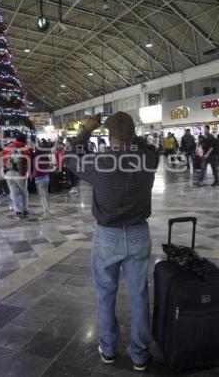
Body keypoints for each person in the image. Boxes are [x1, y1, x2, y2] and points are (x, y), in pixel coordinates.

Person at [65, 112, 158, 372]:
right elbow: (146, 146)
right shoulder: (148, 159)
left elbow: (70, 158)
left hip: (107, 236)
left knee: (106, 293)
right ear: (132, 133)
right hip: (139, 233)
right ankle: (139, 354)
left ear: (109, 135)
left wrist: (86, 131)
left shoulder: (99, 162)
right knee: (139, 294)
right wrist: (127, 133)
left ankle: (108, 348)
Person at [0, 133, 31, 218]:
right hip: (20, 173)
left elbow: (1, 154)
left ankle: (17, 210)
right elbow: (28, 158)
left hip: (8, 173)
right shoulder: (24, 148)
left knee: (13, 192)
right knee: (23, 191)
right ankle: (24, 209)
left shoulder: (8, 147)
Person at [33, 140, 51, 220]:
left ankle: (46, 214)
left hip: (39, 180)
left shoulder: (37, 158)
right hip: (46, 178)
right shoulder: (46, 157)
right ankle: (47, 212)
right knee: (46, 196)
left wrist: (33, 176)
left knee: (42, 197)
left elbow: (37, 170)